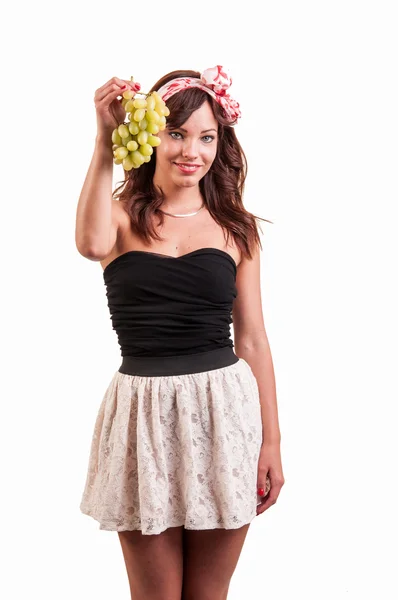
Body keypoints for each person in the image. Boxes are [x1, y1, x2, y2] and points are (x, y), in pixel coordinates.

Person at [75, 65, 284, 600]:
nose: (192, 150)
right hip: (140, 415)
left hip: (223, 413)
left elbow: (254, 340)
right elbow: (90, 244)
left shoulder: (236, 227)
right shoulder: (120, 217)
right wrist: (104, 141)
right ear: (153, 136)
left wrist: (272, 442)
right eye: (177, 132)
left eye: (207, 136)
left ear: (221, 143)